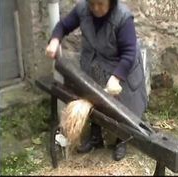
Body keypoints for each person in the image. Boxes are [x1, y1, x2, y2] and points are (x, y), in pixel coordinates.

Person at [45, 0, 148, 161]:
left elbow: (128, 53)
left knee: (124, 107)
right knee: (93, 100)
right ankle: (96, 138)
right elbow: (63, 26)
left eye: (100, 4)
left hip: (121, 66)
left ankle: (123, 140)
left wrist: (116, 77)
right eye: (92, 4)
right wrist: (54, 40)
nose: (95, 8)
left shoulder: (123, 17)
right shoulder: (82, 9)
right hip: (95, 63)